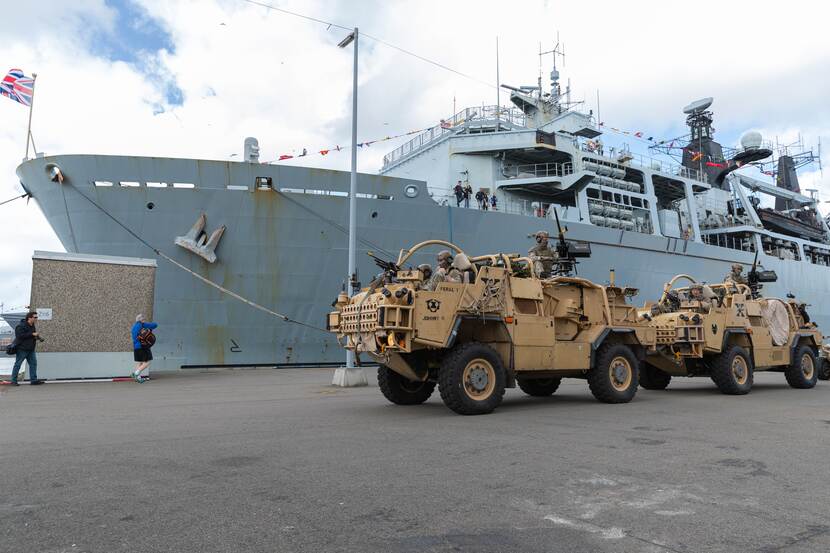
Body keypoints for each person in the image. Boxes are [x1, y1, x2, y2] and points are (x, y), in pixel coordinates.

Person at [8, 312, 43, 386]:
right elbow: (19, 336)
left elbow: (30, 336)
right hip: (22, 349)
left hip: (31, 349)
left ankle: (33, 380)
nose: (36, 319)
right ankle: (13, 381)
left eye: (37, 317)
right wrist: (32, 334)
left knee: (33, 364)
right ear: (29, 318)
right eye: (35, 317)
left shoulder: (32, 325)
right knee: (18, 364)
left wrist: (37, 337)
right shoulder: (20, 326)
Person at [131, 314, 158, 383]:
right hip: (143, 346)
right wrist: (147, 326)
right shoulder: (142, 325)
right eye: (144, 319)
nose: (144, 320)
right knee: (147, 362)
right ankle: (136, 373)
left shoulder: (133, 327)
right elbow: (155, 325)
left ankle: (137, 378)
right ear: (141, 320)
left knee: (140, 362)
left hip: (136, 347)